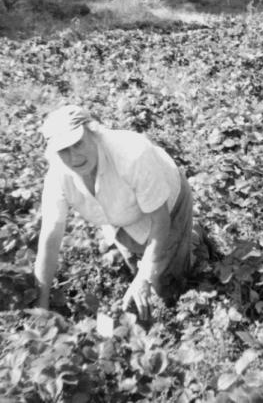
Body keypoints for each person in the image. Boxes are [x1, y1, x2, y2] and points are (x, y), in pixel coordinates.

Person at [34, 104, 201, 320]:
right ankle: (178, 248)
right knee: (140, 274)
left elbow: (160, 221)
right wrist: (41, 304)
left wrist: (145, 277)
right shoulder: (58, 175)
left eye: (78, 143)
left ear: (92, 132)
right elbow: (50, 238)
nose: (74, 157)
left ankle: (194, 242)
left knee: (167, 286)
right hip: (121, 214)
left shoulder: (131, 154)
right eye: (63, 150)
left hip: (167, 205)